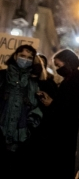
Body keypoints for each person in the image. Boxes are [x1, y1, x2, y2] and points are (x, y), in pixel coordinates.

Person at [38, 48, 79, 178]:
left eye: (59, 65)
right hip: (63, 130)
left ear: (68, 62)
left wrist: (52, 103)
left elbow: (72, 106)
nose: (57, 69)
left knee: (62, 166)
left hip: (65, 131)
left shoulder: (78, 80)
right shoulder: (70, 79)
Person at [0, 45, 43, 178]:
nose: (25, 59)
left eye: (30, 58)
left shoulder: (34, 83)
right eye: (23, 56)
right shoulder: (2, 77)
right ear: (15, 56)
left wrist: (29, 127)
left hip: (21, 139)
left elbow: (37, 108)